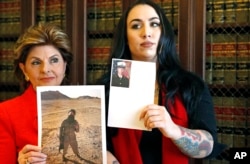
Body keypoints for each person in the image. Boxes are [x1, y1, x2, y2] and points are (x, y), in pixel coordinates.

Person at [97, 0, 227, 163]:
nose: (146, 33)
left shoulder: (190, 85)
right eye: (136, 26)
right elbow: (97, 146)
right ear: (125, 37)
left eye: (154, 24)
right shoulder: (106, 89)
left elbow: (208, 147)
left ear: (164, 33)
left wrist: (173, 129)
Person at [0, 23, 73, 164]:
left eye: (54, 60)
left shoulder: (91, 103)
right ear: (24, 70)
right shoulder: (5, 113)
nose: (45, 69)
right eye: (35, 63)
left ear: (64, 66)